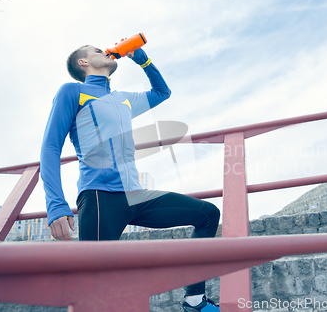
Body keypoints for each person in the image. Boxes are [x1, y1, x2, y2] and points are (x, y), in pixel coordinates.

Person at [40, 42, 221, 311]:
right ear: (83, 63)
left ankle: (194, 300)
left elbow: (162, 92)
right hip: (101, 197)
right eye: (97, 49)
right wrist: (56, 205)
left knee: (207, 214)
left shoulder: (123, 99)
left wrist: (143, 60)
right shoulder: (73, 91)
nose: (106, 51)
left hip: (136, 195)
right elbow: (51, 146)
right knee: (94, 292)